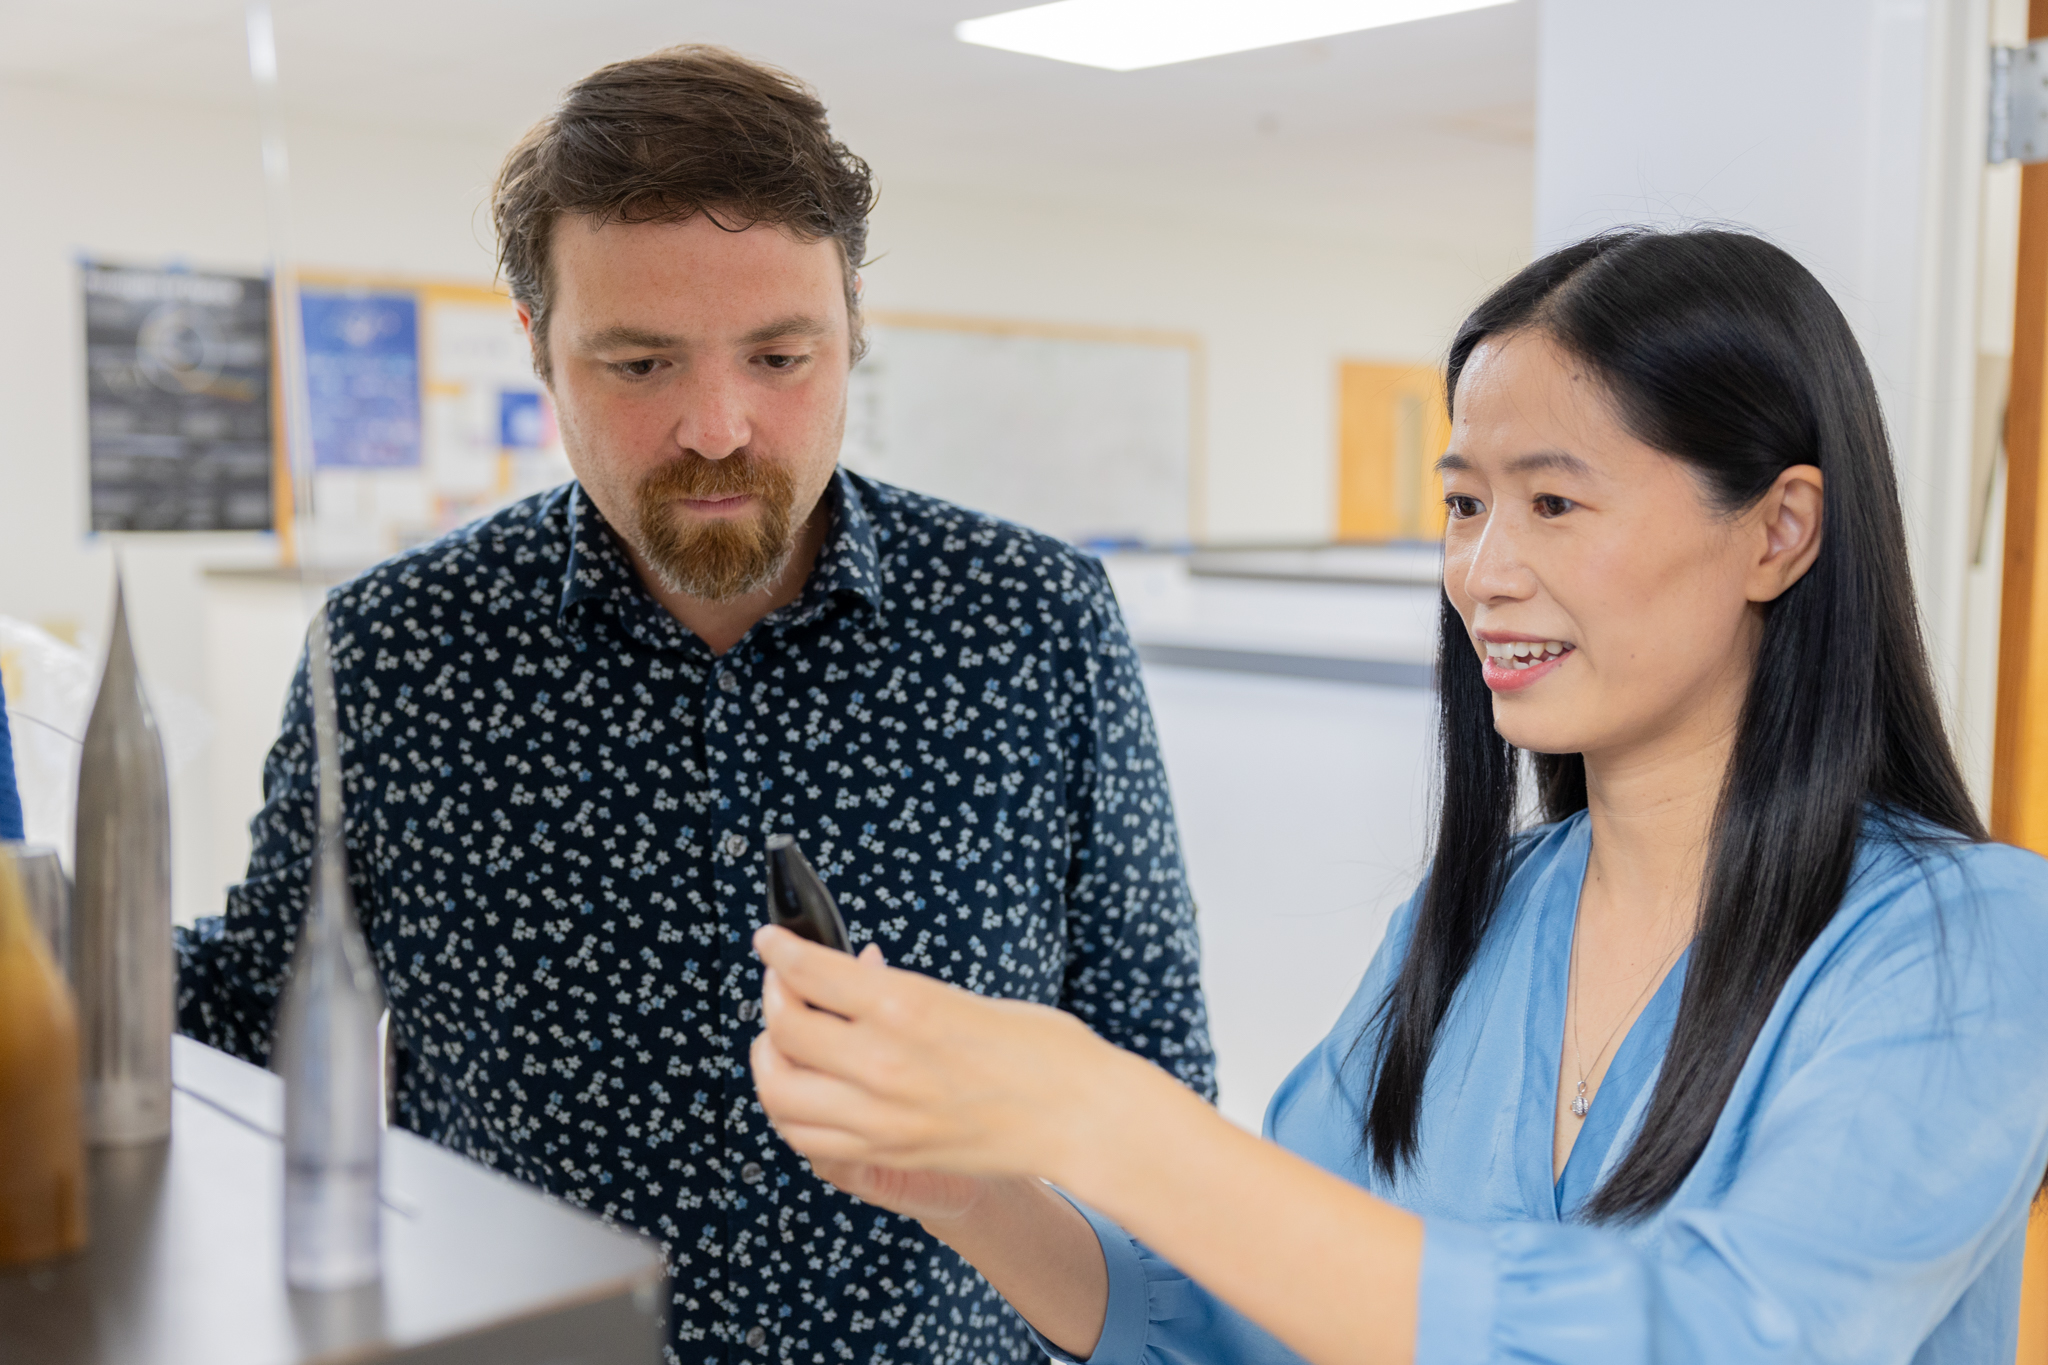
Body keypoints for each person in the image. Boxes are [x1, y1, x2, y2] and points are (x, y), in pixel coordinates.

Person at [749, 228, 2048, 1365]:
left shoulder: (1966, 937)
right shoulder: (1478, 918)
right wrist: (974, 1193)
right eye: (1465, 503)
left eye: (1550, 500)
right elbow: (1252, 1311)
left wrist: (1111, 1115)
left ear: (1779, 531)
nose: (1482, 570)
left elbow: (1724, 1335)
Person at [175, 45, 1214, 1365]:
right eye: (641, 364)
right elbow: (258, 1019)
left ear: (854, 334)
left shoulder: (1034, 623)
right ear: (540, 350)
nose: (720, 425)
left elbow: (1155, 1084)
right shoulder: (394, 653)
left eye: (780, 356)